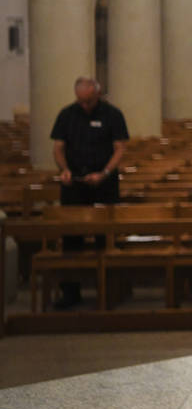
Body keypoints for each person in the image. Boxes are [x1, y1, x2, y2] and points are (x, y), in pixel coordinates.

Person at [49, 76, 129, 308]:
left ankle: (108, 292)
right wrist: (64, 170)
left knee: (105, 238)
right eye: (81, 101)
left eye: (90, 101)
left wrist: (104, 172)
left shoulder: (112, 114)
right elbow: (58, 147)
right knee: (72, 239)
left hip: (104, 185)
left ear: (98, 94)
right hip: (75, 185)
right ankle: (71, 293)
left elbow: (120, 148)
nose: (85, 105)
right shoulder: (67, 115)